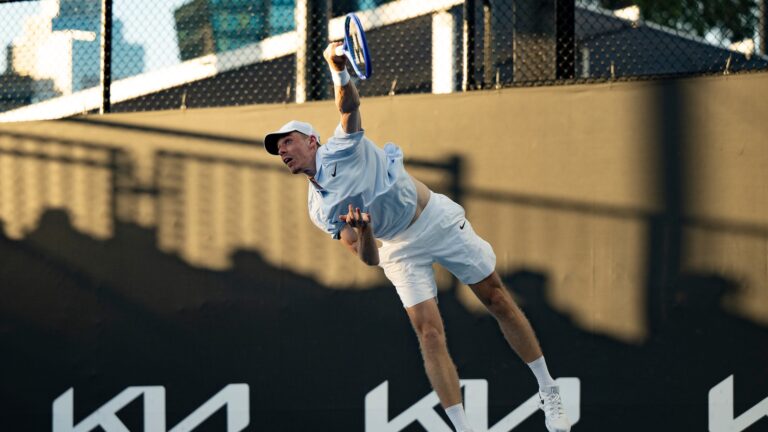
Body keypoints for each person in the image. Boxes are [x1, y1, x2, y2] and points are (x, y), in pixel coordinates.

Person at [263, 42, 572, 432]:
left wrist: (337, 68)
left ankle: (548, 389)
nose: (283, 151)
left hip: (434, 220)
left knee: (496, 298)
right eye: (277, 149)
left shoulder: (342, 147)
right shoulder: (319, 209)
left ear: (311, 142)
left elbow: (348, 107)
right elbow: (367, 258)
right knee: (428, 334)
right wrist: (368, 231)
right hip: (396, 249)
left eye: (288, 141)